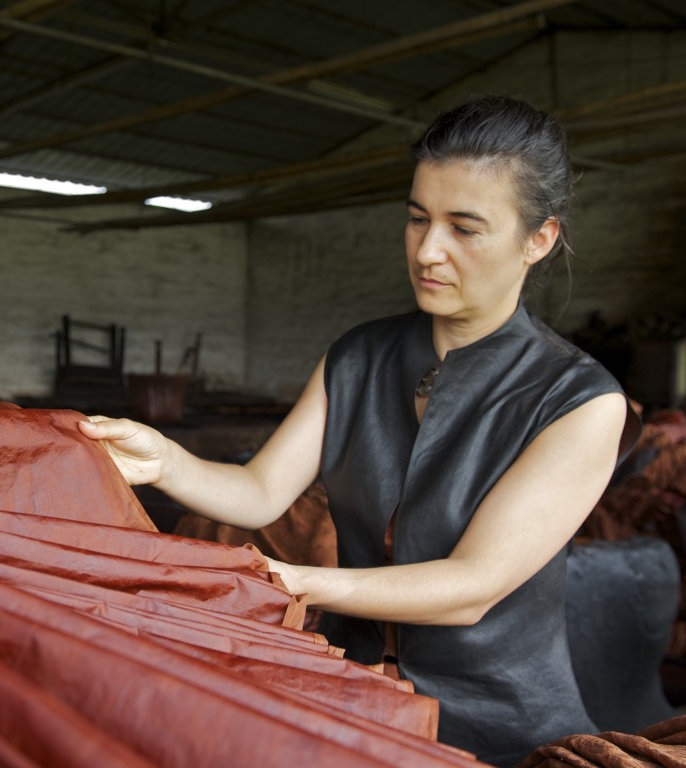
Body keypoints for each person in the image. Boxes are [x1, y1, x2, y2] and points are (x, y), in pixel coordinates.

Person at [79, 94, 641, 768]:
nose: (428, 250)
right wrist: (165, 459)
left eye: (464, 228)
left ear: (538, 239)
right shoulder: (358, 357)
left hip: (501, 727)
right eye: (417, 218)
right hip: (356, 692)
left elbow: (473, 585)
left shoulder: (578, 399)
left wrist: (295, 581)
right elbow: (260, 493)